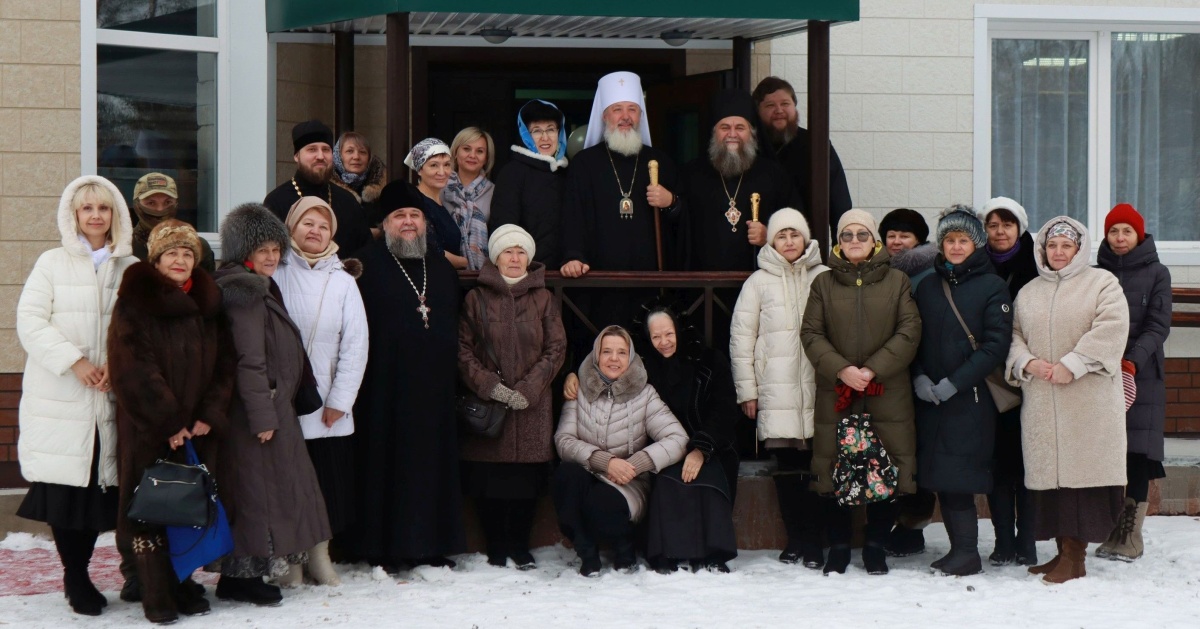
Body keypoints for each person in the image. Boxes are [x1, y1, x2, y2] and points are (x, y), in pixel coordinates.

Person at [15, 175, 137, 616]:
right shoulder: (52, 262)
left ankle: (108, 573)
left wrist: (119, 366)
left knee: (101, 494)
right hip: (62, 396)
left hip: (111, 398)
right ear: (74, 215)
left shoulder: (130, 267)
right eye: (87, 208)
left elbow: (142, 327)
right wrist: (76, 362)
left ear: (115, 214)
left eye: (103, 208)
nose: (96, 216)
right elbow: (30, 321)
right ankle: (76, 576)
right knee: (68, 493)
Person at [108, 220, 236, 623]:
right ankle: (156, 594)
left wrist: (209, 415)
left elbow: (225, 365)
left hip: (197, 430)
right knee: (151, 510)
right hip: (150, 428)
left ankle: (182, 584)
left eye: (186, 253)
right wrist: (168, 422)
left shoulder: (208, 305)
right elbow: (133, 369)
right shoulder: (135, 303)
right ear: (156, 260)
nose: (179, 260)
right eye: (170, 253)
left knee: (188, 509)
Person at [212, 203, 332, 605]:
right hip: (256, 412)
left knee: (264, 493)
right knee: (255, 495)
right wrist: (263, 415)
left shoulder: (258, 286)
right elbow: (249, 359)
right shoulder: (245, 292)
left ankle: (245, 575)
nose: (271, 256)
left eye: (276, 249)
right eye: (262, 249)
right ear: (242, 250)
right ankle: (241, 578)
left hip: (269, 406)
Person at [346, 181, 466, 570]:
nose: (409, 221)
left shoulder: (441, 268)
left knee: (431, 466)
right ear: (385, 224)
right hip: (382, 389)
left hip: (434, 390)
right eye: (400, 215)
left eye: (415, 215)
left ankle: (431, 545)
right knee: (386, 466)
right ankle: (384, 548)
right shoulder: (364, 265)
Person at [1006, 216, 1130, 584]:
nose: (1058, 252)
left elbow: (1111, 329)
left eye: (1066, 245)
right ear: (1042, 249)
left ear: (1079, 249)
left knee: (1082, 480)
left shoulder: (1102, 283)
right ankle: (1063, 553)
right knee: (1053, 482)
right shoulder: (1029, 292)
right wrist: (1026, 362)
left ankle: (1075, 559)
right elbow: (1013, 335)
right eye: (1052, 245)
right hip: (1043, 402)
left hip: (1087, 403)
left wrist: (1073, 365)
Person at [801, 209, 921, 576]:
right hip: (838, 391)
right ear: (838, 242)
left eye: (862, 234)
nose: (855, 241)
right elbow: (811, 333)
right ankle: (839, 547)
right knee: (834, 467)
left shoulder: (897, 281)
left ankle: (875, 547)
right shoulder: (823, 283)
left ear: (874, 241)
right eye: (847, 235)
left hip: (887, 392)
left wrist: (871, 370)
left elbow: (909, 330)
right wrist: (842, 369)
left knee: (886, 468)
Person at [457, 225, 566, 569]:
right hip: (489, 405)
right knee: (489, 481)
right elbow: (462, 351)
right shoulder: (476, 298)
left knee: (526, 483)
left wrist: (528, 389)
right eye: (508, 251)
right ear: (496, 257)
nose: (515, 258)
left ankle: (520, 546)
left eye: (521, 252)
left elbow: (556, 348)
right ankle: (495, 545)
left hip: (532, 405)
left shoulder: (544, 298)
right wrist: (491, 387)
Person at [911, 207, 1013, 576]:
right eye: (950, 240)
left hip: (970, 399)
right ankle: (959, 550)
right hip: (931, 399)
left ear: (977, 244)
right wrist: (919, 378)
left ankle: (967, 553)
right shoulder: (927, 286)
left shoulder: (992, 286)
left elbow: (995, 345)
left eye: (963, 240)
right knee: (941, 474)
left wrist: (955, 382)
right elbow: (913, 337)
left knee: (959, 475)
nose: (956, 246)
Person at [273, 196, 369, 585]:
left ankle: (319, 556)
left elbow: (356, 345)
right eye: (307, 223)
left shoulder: (343, 280)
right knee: (285, 485)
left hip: (327, 404)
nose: (315, 231)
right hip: (281, 401)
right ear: (291, 227)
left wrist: (340, 401)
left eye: (323, 226)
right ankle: (290, 562)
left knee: (325, 486)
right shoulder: (275, 272)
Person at [729, 208, 828, 568]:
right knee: (787, 470)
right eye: (781, 236)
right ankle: (795, 539)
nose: (788, 241)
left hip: (819, 389)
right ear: (771, 242)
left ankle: (815, 542)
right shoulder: (758, 282)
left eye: (794, 234)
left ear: (806, 238)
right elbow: (741, 339)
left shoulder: (824, 276)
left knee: (818, 468)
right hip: (777, 391)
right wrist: (748, 391)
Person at [553, 326, 689, 576]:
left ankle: (624, 547)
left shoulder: (645, 394)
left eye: (621, 352)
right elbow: (564, 440)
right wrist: (604, 461)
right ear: (596, 355)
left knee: (602, 502)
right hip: (587, 472)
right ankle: (587, 552)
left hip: (628, 481)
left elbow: (678, 439)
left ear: (631, 357)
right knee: (565, 476)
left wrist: (636, 464)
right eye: (606, 351)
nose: (614, 359)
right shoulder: (579, 389)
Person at [1094, 204, 1171, 562]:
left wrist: (1132, 360)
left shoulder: (1157, 273)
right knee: (1109, 451)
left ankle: (1130, 534)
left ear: (1139, 235)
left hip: (1142, 374)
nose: (1120, 238)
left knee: (1137, 453)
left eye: (1127, 231)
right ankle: (1111, 527)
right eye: (1114, 231)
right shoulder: (1096, 274)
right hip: (1101, 373)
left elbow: (1158, 325)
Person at [976, 196, 1040, 566]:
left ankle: (1027, 540)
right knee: (997, 460)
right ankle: (1003, 541)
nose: (1000, 232)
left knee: (1029, 461)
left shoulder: (1038, 264)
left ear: (1020, 227)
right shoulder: (976, 265)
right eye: (993, 225)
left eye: (1008, 224)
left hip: (1032, 374)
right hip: (989, 377)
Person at [675, 89, 801, 273]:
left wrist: (770, 236)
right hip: (703, 285)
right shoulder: (691, 175)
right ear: (714, 133)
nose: (732, 134)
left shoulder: (774, 175)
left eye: (740, 128)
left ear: (752, 133)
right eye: (725, 127)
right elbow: (677, 232)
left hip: (761, 284)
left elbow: (797, 226)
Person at [877, 207, 939, 557]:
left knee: (918, 453)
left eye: (905, 235)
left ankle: (913, 526)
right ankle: (888, 523)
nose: (897, 241)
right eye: (891, 235)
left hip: (919, 374)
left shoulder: (929, 273)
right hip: (886, 376)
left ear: (919, 240)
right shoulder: (877, 270)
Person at [752, 76, 853, 228]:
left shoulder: (815, 144)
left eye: (785, 103)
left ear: (795, 107)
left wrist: (842, 238)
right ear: (757, 111)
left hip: (807, 237)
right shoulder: (749, 147)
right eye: (770, 105)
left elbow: (838, 199)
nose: (779, 110)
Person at [263, 120, 371, 254]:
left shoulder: (347, 201)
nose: (320, 156)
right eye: (312, 149)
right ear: (296, 156)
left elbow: (366, 253)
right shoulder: (276, 201)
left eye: (326, 150)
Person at [490, 99, 570, 268]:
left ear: (560, 132)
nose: (545, 137)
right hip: (526, 272)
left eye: (551, 129)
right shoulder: (512, 173)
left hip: (567, 273)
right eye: (536, 131)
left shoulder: (568, 173)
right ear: (525, 135)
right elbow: (504, 228)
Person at [128, 172, 215, 273]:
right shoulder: (123, 246)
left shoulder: (198, 247)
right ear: (136, 205)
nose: (160, 209)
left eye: (167, 202)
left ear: (176, 203)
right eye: (151, 203)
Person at [406, 137, 468, 269]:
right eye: (434, 165)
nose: (442, 172)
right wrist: (464, 262)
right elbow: (431, 250)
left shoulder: (442, 202)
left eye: (446, 165)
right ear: (419, 170)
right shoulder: (415, 203)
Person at [444, 127, 496, 270]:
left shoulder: (495, 192)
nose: (472, 155)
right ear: (455, 153)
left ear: (486, 158)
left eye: (480, 151)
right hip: (444, 269)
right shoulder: (440, 188)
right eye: (466, 149)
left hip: (482, 273)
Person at [332, 132, 387, 226]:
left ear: (369, 158)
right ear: (338, 156)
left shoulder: (382, 189)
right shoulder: (328, 188)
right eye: (350, 151)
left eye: (362, 152)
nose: (356, 157)